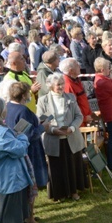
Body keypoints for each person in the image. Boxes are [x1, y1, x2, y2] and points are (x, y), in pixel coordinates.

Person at [6, 82, 49, 223]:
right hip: (29, 152)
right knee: (31, 186)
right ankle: (29, 218)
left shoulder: (8, 107)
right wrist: (43, 127)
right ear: (24, 95)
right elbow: (28, 134)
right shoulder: (22, 110)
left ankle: (27, 214)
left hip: (18, 151)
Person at [36, 72, 86, 201]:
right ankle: (60, 194)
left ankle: (74, 191)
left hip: (71, 138)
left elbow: (79, 116)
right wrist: (52, 129)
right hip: (53, 140)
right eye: (58, 84)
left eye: (62, 83)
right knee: (57, 168)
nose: (61, 86)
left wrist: (72, 128)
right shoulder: (43, 101)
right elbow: (41, 120)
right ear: (51, 86)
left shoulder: (70, 97)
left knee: (73, 166)